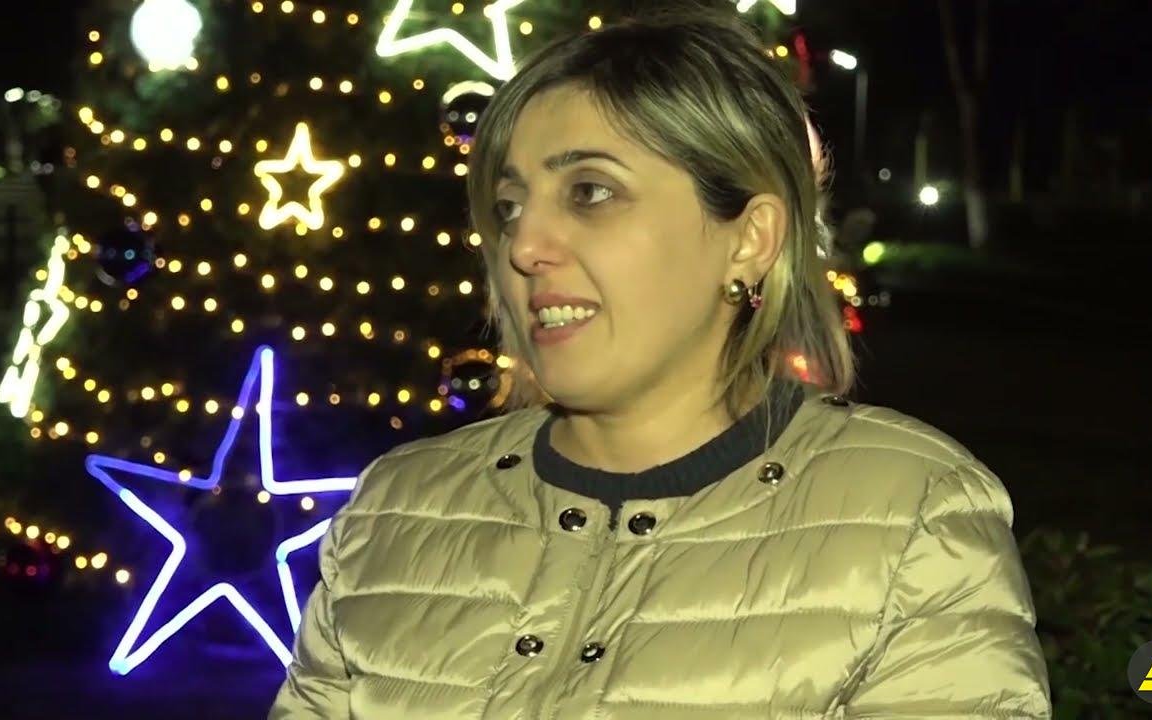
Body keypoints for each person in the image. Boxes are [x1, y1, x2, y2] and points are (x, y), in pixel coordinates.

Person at [270, 6, 1050, 718]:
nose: (524, 244)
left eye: (591, 192)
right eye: (509, 206)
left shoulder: (909, 518)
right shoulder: (397, 509)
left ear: (749, 239)